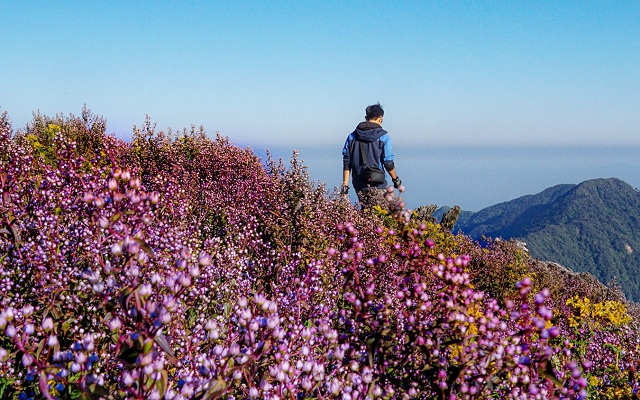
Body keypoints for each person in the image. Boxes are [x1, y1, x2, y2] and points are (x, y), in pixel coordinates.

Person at [341, 103, 402, 208]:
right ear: (380, 118)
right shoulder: (384, 136)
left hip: (359, 184)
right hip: (377, 183)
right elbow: (388, 162)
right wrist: (395, 179)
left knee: (366, 214)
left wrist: (345, 187)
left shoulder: (351, 136)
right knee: (381, 215)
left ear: (366, 118)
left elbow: (347, 162)